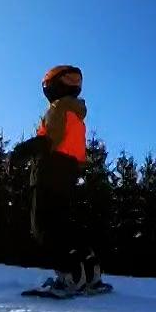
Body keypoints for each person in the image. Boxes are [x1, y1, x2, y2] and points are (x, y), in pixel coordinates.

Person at [23, 64, 102, 294]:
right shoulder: (76, 113)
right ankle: (90, 274)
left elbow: (49, 140)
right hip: (67, 177)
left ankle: (70, 277)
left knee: (43, 230)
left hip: (49, 173)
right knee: (66, 228)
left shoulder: (59, 108)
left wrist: (21, 151)